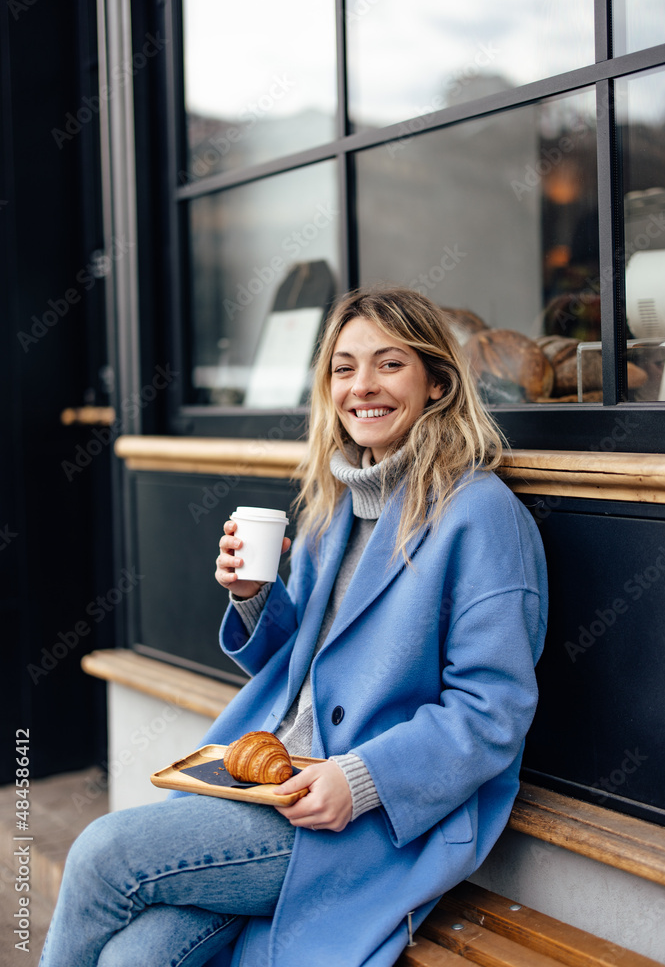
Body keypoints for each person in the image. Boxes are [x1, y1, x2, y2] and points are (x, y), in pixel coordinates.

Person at [39, 286, 548, 967]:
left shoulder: (480, 516)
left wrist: (361, 779)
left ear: (436, 384)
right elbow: (296, 669)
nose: (361, 386)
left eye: (389, 364)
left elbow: (492, 713)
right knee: (135, 956)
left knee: (105, 852)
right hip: (265, 781)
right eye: (343, 368)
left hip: (364, 817)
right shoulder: (332, 505)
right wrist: (253, 596)